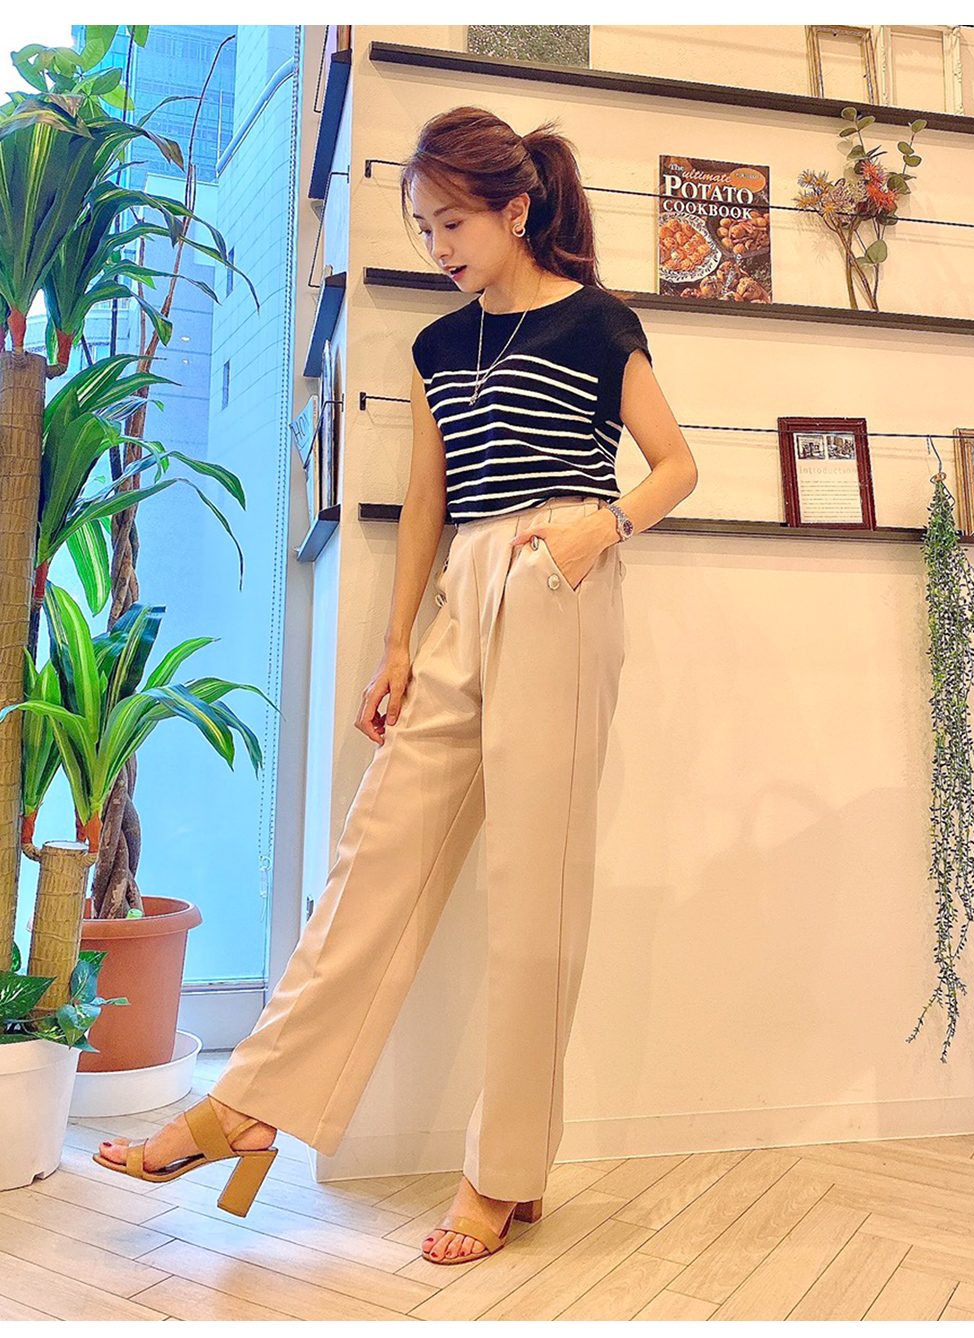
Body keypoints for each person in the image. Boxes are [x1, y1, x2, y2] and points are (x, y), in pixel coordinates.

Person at [92, 105, 698, 1265]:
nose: (437, 246)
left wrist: (602, 525)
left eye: (452, 223)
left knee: (534, 895)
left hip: (560, 582)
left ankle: (502, 1172)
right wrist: (396, 644)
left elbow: (675, 465)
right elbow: (427, 501)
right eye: (423, 228)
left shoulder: (595, 322)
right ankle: (248, 1102)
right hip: (464, 592)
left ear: (513, 209)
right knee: (377, 857)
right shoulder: (435, 347)